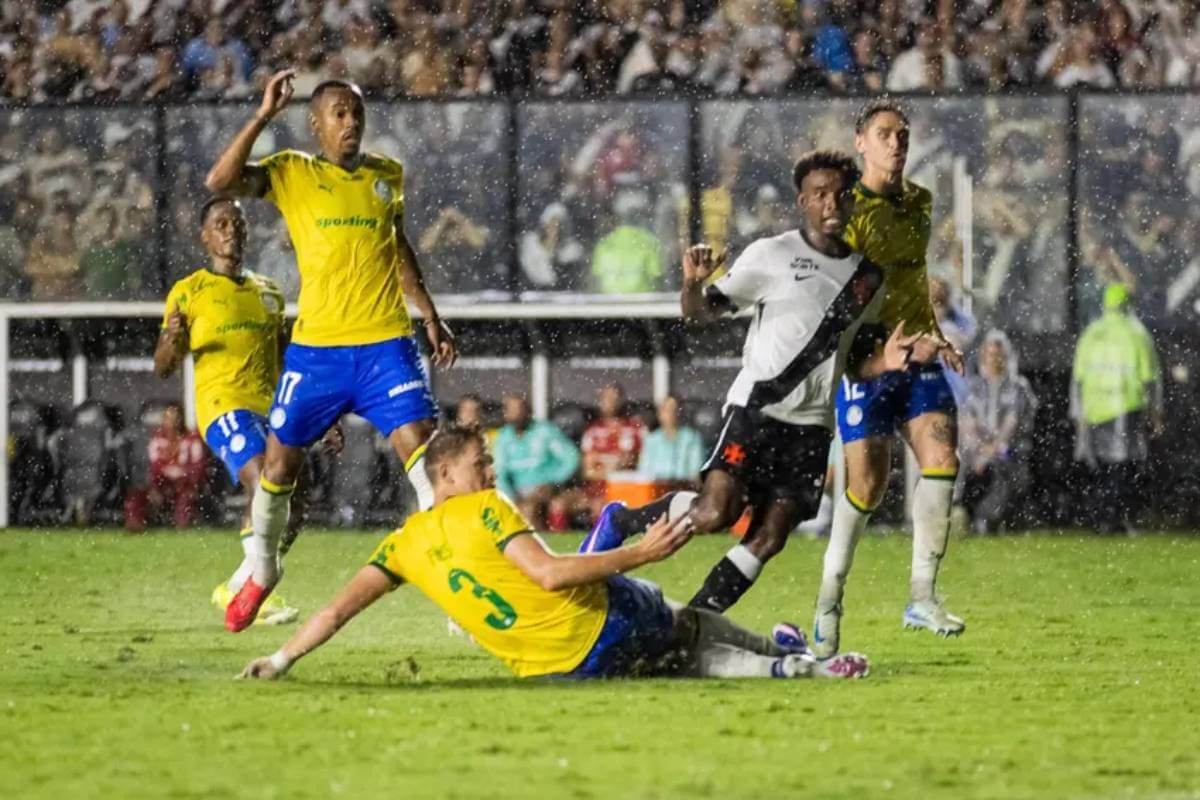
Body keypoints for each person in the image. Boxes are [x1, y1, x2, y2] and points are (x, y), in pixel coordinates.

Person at [579, 150, 941, 618]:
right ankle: (622, 518)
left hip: (812, 427)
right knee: (715, 514)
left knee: (769, 537)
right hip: (758, 408)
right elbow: (699, 314)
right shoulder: (772, 253)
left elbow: (855, 362)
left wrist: (886, 361)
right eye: (819, 195)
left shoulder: (868, 279)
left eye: (839, 195)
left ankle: (692, 624)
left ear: (853, 201)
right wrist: (691, 283)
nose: (830, 204)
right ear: (802, 202)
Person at [239, 424, 870, 682]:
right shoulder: (485, 507)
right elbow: (548, 574)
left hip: (563, 671)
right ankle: (791, 661)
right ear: (446, 477)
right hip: (596, 622)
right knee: (683, 626)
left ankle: (786, 663)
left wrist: (279, 658)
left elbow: (336, 612)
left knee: (674, 661)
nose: (491, 468)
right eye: (479, 462)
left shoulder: (399, 546)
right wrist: (640, 555)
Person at [204, 71, 458, 631]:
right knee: (278, 466)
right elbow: (218, 178)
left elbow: (398, 247)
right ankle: (263, 570)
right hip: (317, 350)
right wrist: (262, 115)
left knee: (424, 454)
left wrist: (430, 316)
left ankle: (459, 580)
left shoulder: (386, 175)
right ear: (315, 125)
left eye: (356, 113)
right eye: (339, 114)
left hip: (385, 343)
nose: (351, 123)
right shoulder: (293, 171)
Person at [817, 100, 967, 659]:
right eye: (884, 134)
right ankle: (829, 602)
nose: (896, 143)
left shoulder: (920, 202)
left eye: (902, 134)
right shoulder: (846, 210)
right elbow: (839, 293)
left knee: (943, 455)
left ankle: (923, 595)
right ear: (861, 142)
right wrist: (872, 352)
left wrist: (936, 334)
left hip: (920, 353)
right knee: (867, 488)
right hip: (869, 360)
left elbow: (913, 279)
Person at [154, 197, 327, 627]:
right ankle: (264, 588)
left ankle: (239, 585)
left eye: (237, 223)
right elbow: (162, 367)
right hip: (223, 408)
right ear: (205, 236)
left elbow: (287, 358)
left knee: (298, 501)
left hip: (273, 409)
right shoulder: (188, 291)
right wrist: (174, 339)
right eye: (221, 224)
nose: (231, 230)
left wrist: (318, 410)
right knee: (264, 480)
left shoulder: (268, 291)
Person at [1071, 284, 1163, 535]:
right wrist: (1155, 412)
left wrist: (1078, 414)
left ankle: (1102, 518)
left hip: (1095, 408)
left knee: (1100, 465)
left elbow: (1078, 379)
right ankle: (1116, 517)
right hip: (1126, 407)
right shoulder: (1137, 335)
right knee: (1123, 466)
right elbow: (1150, 378)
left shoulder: (1091, 333)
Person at [959, 330, 1038, 534]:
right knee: (959, 463)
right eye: (990, 354)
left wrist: (989, 452)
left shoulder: (1018, 388)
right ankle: (964, 513)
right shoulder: (973, 387)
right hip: (977, 451)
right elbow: (968, 424)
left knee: (1000, 462)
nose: (993, 359)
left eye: (998, 354)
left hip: (1009, 450)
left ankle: (989, 517)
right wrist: (978, 450)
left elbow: (1010, 428)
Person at [492, 393, 580, 530]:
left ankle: (551, 544)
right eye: (512, 410)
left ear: (528, 410)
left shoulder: (544, 431)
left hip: (548, 487)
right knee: (523, 510)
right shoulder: (503, 437)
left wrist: (553, 481)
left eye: (520, 409)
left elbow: (571, 458)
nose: (517, 414)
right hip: (518, 491)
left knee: (545, 507)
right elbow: (499, 473)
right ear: (505, 413)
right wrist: (512, 497)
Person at [124, 403, 205, 531]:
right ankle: (136, 526)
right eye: (169, 418)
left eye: (176, 418)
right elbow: (154, 464)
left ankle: (182, 527)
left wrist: (185, 475)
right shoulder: (158, 437)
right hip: (162, 481)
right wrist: (155, 486)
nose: (173, 422)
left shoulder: (192, 438)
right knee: (136, 495)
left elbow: (198, 466)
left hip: (184, 482)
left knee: (185, 496)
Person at [637, 394, 704, 486]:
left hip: (683, 488)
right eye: (666, 410)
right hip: (656, 488)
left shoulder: (691, 437)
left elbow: (695, 471)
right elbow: (644, 471)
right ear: (659, 414)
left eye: (674, 409)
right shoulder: (651, 439)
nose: (670, 413)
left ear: (679, 413)